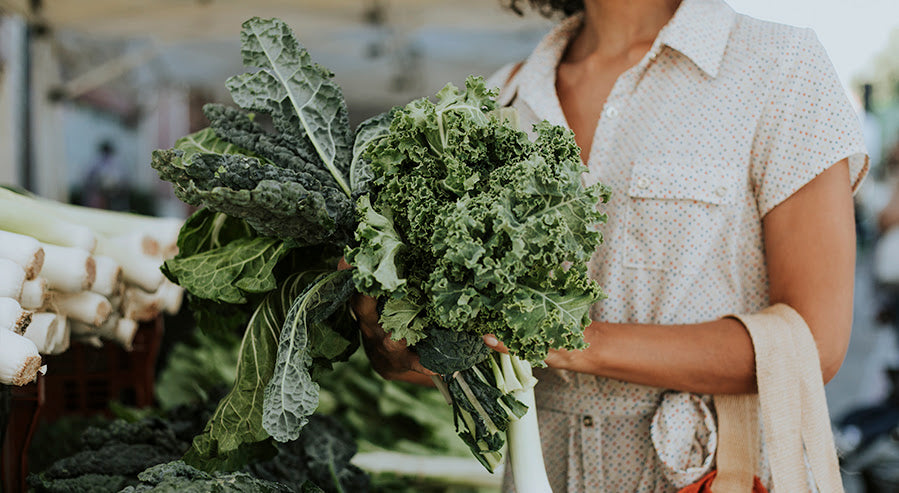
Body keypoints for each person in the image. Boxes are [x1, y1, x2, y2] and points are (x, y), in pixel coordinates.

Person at [351, 0, 869, 491]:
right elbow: (462, 358)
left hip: (716, 477)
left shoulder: (779, 68)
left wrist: (573, 339)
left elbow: (814, 342)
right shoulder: (501, 98)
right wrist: (398, 346)